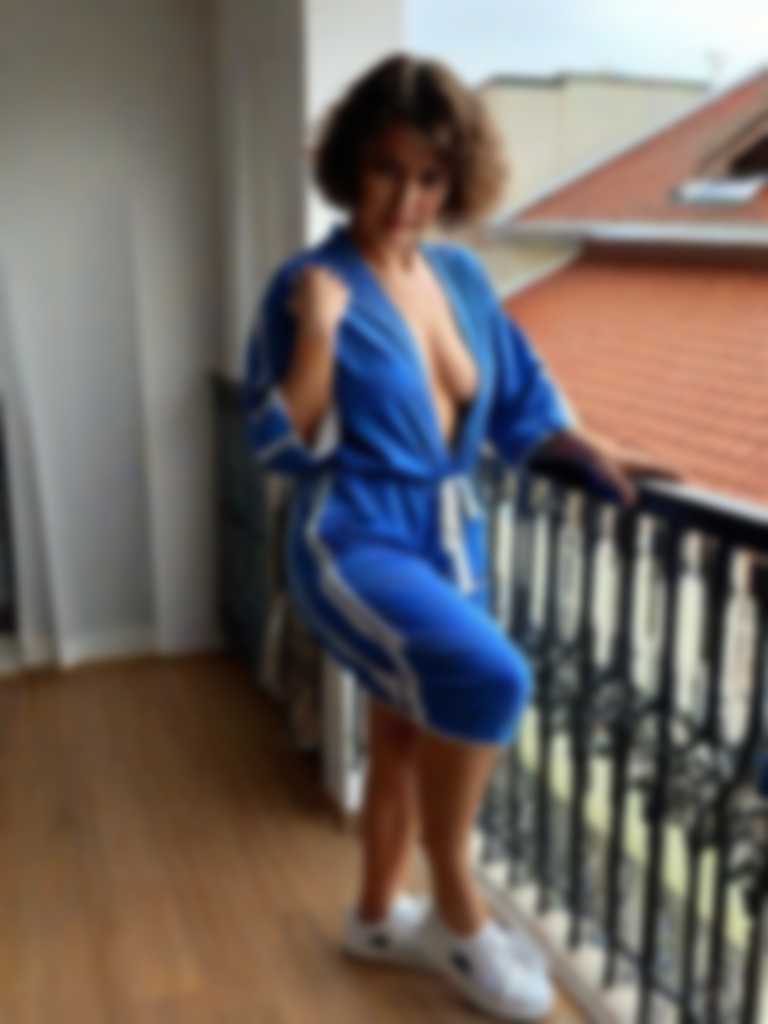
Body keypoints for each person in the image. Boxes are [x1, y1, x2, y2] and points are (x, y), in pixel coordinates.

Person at [242, 52, 663, 1022]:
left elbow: (518, 398)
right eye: (387, 170)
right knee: (494, 678)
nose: (407, 200)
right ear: (352, 165)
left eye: (430, 177)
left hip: (450, 535)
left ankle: (375, 915)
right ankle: (460, 915)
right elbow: (276, 440)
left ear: (455, 178)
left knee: (402, 730)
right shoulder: (310, 283)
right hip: (352, 535)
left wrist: (589, 443)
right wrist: (319, 333)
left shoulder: (464, 278)